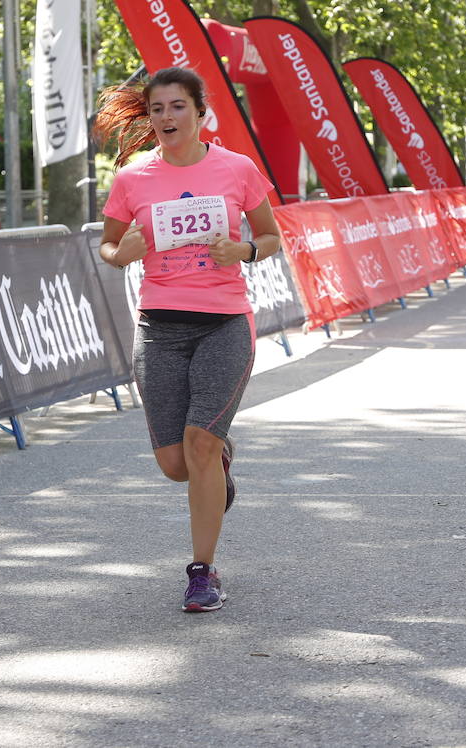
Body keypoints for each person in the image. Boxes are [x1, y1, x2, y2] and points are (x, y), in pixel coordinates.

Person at [96, 66, 280, 613]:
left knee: (199, 443)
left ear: (200, 112)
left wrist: (243, 251)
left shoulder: (236, 169)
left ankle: (203, 571)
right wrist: (122, 253)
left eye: (178, 106)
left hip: (224, 322)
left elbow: (271, 235)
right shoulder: (133, 178)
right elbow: (108, 249)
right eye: (157, 109)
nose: (167, 117)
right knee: (175, 464)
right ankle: (217, 461)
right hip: (159, 328)